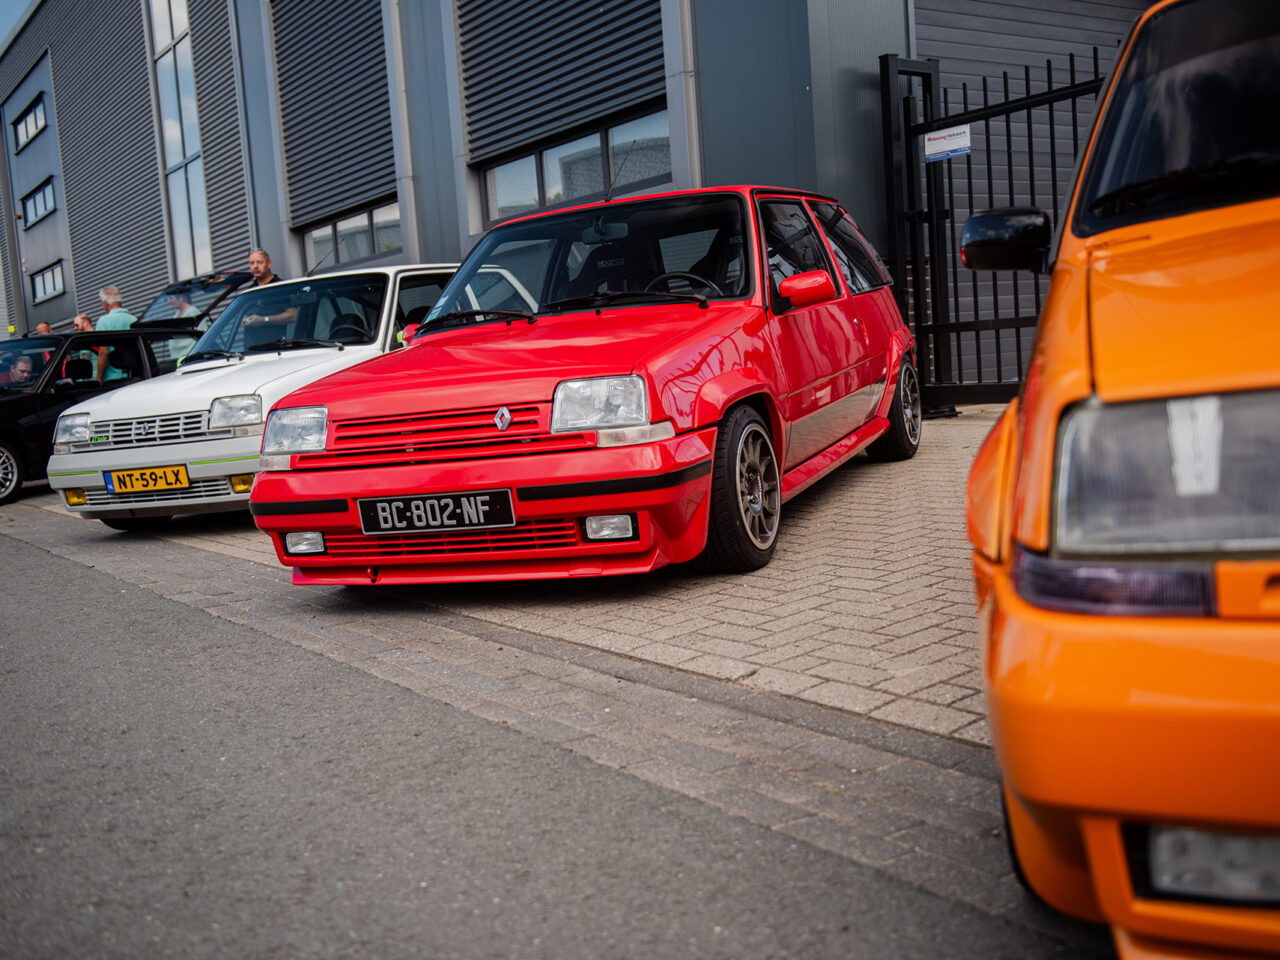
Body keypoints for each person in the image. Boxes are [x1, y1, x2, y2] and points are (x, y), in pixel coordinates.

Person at [242, 247, 296, 328]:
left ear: (269, 264)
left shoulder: (280, 286)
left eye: (260, 262)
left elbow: (293, 315)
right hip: (252, 340)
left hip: (275, 339)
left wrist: (265, 320)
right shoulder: (250, 290)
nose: (255, 266)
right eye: (252, 263)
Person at [95, 287, 138, 381]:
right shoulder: (134, 319)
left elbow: (103, 352)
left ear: (105, 303)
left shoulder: (104, 321)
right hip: (134, 376)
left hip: (112, 379)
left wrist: (98, 378)